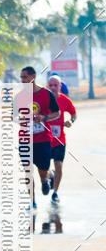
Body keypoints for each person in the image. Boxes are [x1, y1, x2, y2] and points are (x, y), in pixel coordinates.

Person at [19, 66, 60, 208]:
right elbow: (13, 116)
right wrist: (23, 118)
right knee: (27, 170)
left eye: (25, 77)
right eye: (21, 78)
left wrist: (44, 117)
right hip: (25, 140)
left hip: (43, 140)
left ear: (33, 77)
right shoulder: (20, 96)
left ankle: (47, 177)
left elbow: (57, 113)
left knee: (42, 172)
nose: (23, 80)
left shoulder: (47, 94)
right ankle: (32, 202)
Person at [46, 74, 76, 203]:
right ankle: (50, 175)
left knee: (58, 165)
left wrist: (71, 121)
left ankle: (55, 192)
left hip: (59, 140)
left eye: (55, 85)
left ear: (60, 86)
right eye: (50, 85)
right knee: (44, 167)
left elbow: (73, 113)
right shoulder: (44, 100)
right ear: (48, 86)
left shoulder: (64, 100)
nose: (53, 87)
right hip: (45, 139)